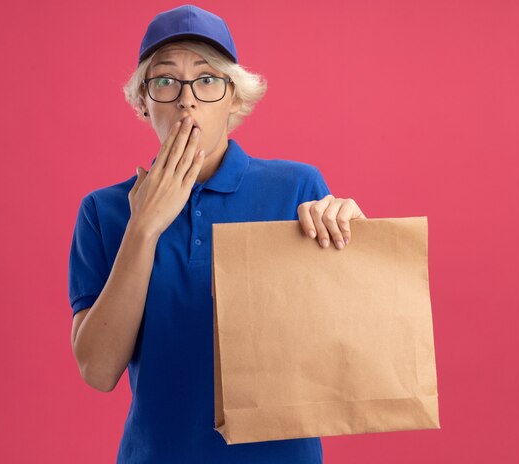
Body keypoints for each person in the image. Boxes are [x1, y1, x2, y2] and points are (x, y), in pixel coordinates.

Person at [68, 4, 366, 463]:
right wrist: (144, 227)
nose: (186, 100)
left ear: (234, 99)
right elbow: (98, 370)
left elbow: (344, 345)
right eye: (165, 81)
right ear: (143, 102)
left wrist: (354, 241)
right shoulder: (103, 211)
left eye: (207, 80)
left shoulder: (298, 189)